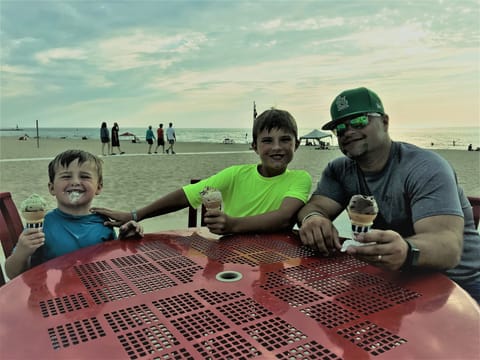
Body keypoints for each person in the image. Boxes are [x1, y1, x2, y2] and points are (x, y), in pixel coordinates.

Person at [297, 87, 480, 303]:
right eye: (340, 127)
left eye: (358, 121)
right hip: (397, 280)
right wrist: (313, 219)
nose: (347, 131)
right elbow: (316, 206)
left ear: (385, 122)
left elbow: (448, 247)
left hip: (461, 287)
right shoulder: (339, 170)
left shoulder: (425, 167)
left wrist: (406, 250)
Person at [91, 108, 312, 235]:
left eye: (285, 140)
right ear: (254, 146)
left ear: (297, 144)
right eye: (267, 141)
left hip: (278, 256)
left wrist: (232, 224)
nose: (276, 147)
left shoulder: (299, 179)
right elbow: (188, 194)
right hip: (233, 256)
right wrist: (135, 215)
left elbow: (283, 218)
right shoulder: (235, 174)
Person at [5, 150, 143, 279]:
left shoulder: (104, 223)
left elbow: (112, 264)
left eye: (84, 176)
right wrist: (22, 251)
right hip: (53, 297)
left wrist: (124, 241)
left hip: (95, 294)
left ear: (99, 187)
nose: (75, 182)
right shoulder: (42, 226)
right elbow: (12, 274)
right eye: (66, 176)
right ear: (52, 188)